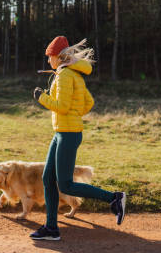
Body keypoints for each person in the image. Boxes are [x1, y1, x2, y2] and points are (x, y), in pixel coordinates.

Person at [29, 36, 126, 241]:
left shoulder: (65, 75)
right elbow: (88, 102)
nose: (48, 61)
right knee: (48, 178)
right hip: (62, 132)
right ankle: (51, 228)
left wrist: (42, 98)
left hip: (68, 134)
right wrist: (74, 113)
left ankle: (114, 198)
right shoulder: (73, 73)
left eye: (49, 57)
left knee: (65, 185)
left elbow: (62, 107)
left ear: (57, 56)